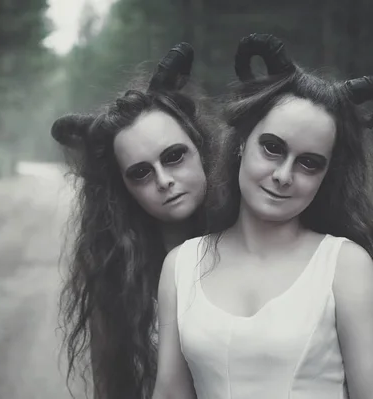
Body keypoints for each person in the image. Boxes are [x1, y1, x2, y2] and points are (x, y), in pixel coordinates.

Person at [153, 33, 373, 399]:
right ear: (242, 141)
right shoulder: (181, 266)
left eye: (309, 163)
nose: (284, 175)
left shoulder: (345, 266)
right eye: (273, 148)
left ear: (326, 175)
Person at [52, 42, 226, 399]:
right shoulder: (118, 274)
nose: (164, 180)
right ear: (124, 189)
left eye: (175, 156)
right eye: (141, 173)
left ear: (201, 148)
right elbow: (111, 389)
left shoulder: (254, 241)